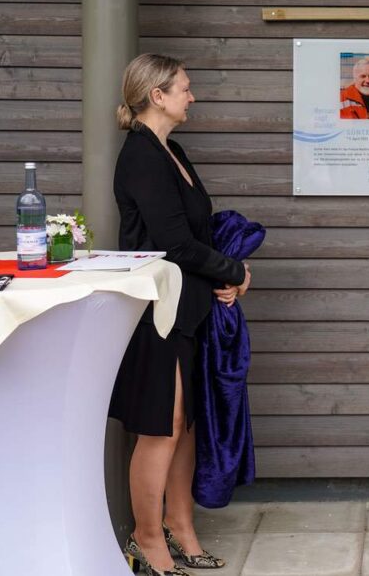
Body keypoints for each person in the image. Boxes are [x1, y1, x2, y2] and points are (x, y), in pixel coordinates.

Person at [109, 54, 252, 576]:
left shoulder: (174, 150)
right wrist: (232, 270)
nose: (192, 97)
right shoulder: (141, 156)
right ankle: (147, 542)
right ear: (158, 96)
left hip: (188, 307)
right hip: (157, 311)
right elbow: (171, 241)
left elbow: (199, 233)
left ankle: (181, 527)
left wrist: (223, 280)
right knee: (162, 427)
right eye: (185, 89)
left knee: (186, 424)